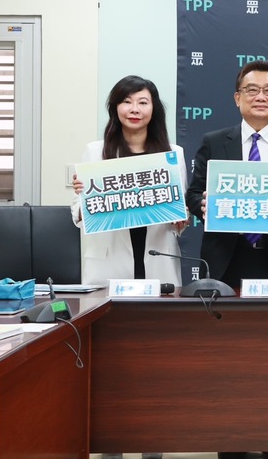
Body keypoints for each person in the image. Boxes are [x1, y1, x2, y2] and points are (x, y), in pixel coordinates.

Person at [185, 60, 268, 459]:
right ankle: (232, 445)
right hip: (227, 263)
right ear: (237, 97)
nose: (261, 96)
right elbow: (193, 193)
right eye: (252, 90)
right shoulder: (214, 141)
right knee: (228, 360)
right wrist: (202, 202)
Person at [70, 75, 185, 459]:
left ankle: (154, 447)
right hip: (108, 269)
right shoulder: (95, 151)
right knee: (111, 366)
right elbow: (79, 217)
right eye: (127, 101)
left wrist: (181, 219)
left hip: (157, 270)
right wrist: (82, 199)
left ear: (154, 109)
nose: (134, 109)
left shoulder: (172, 154)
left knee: (156, 364)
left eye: (142, 102)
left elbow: (177, 219)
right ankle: (112, 447)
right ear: (115, 107)